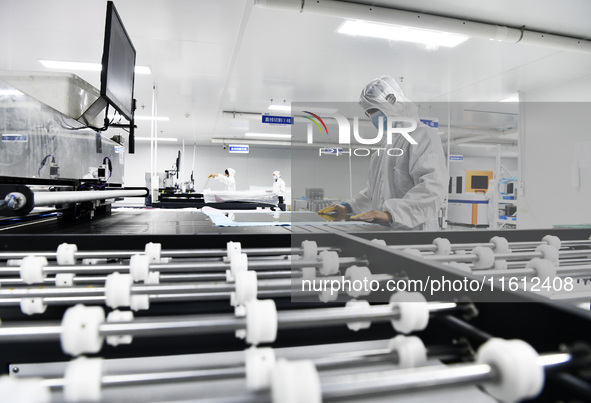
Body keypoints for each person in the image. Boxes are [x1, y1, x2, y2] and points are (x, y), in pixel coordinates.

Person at [318, 76, 447, 230]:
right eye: (368, 113)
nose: (372, 117)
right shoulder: (385, 148)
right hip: (386, 231)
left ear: (392, 103)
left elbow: (432, 188)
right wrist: (348, 207)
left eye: (375, 111)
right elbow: (374, 191)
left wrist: (392, 214)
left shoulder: (423, 135)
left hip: (416, 233)